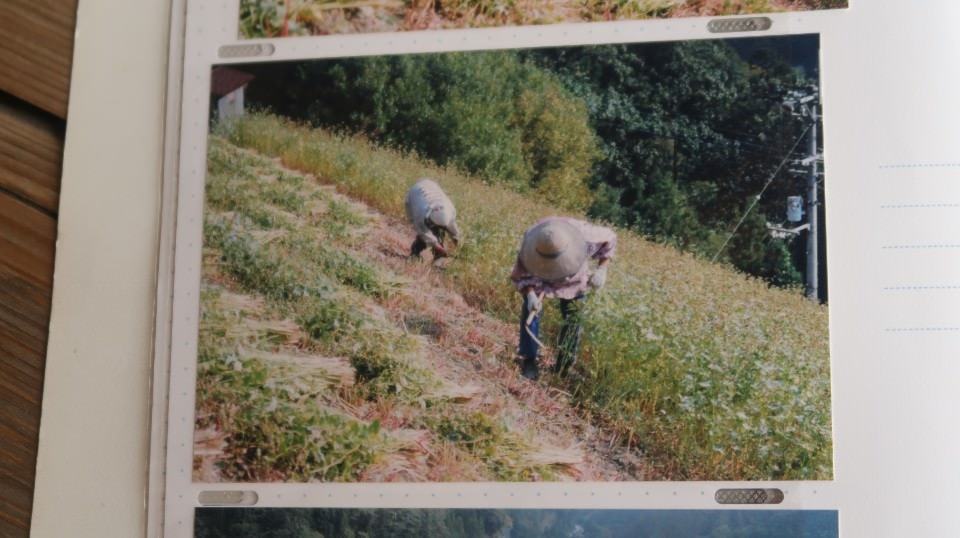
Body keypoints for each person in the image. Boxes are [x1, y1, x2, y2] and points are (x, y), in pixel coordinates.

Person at [511, 216, 616, 380]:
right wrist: (530, 294)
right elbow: (522, 274)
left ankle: (564, 366)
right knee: (531, 314)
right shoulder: (532, 242)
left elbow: (610, 238)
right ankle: (529, 360)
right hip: (539, 276)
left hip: (573, 279)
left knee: (573, 318)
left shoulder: (586, 235)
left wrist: (602, 269)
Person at [404, 178, 461, 259]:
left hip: (431, 187)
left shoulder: (450, 210)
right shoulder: (420, 214)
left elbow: (454, 232)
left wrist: (459, 245)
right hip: (414, 194)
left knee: (439, 232)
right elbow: (423, 232)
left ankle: (437, 254)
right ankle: (415, 252)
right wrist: (438, 247)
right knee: (427, 233)